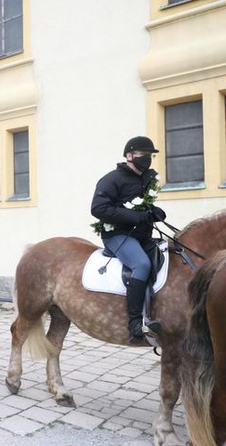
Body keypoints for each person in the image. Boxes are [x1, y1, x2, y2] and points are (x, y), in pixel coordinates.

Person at [91, 136, 166, 343]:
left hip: (141, 235)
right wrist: (136, 217)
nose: (147, 159)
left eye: (150, 156)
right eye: (143, 155)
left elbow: (140, 204)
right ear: (129, 156)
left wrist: (153, 212)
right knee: (141, 265)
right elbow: (98, 208)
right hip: (117, 235)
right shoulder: (112, 179)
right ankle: (135, 323)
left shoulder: (147, 177)